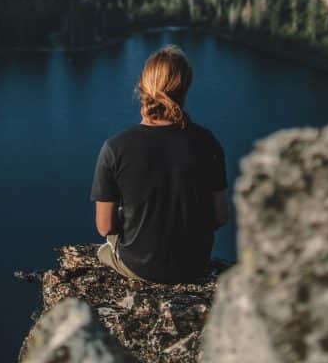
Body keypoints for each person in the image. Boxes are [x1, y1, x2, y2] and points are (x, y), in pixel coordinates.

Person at [90, 44, 229, 284]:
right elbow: (221, 216)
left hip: (139, 267)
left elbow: (104, 227)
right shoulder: (208, 143)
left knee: (103, 251)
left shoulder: (115, 148)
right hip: (195, 265)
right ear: (185, 89)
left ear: (142, 87)